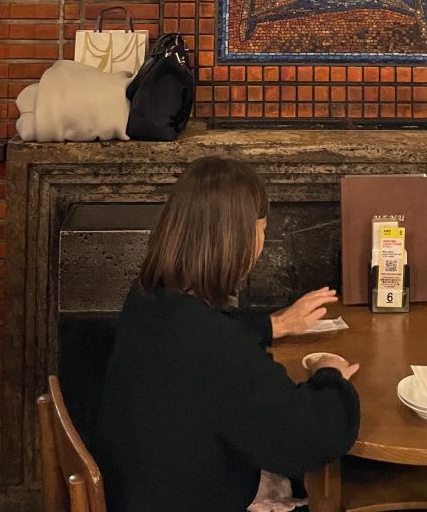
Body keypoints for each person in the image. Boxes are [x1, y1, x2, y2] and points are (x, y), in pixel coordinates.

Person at [94, 156, 360, 512]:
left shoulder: (148, 297)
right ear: (238, 239)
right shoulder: (219, 348)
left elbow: (201, 345)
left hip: (143, 487)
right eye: (262, 228)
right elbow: (311, 439)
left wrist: (273, 326)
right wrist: (330, 374)